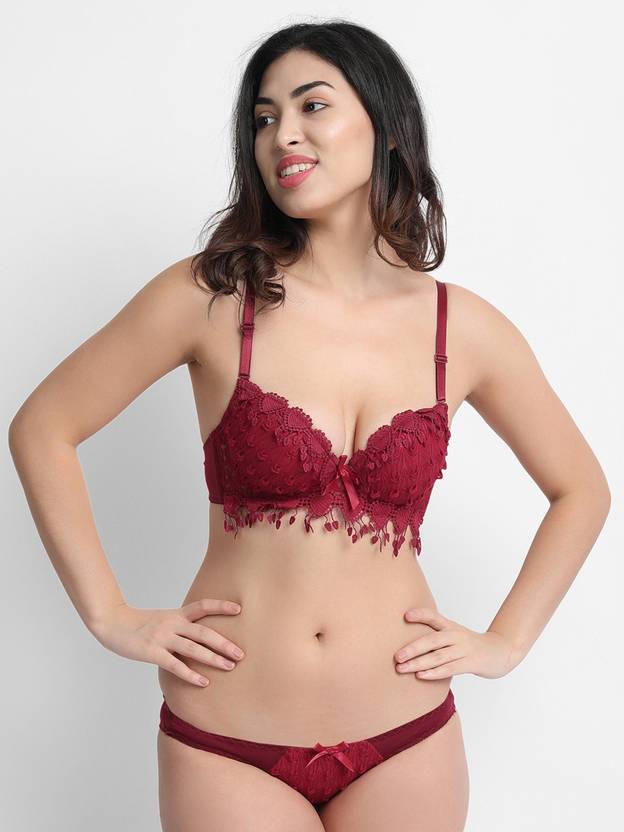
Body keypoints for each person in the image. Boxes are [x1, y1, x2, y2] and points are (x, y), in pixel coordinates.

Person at [9, 20, 611, 832]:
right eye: (263, 118)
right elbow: (43, 426)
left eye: (312, 105)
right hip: (227, 736)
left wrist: (506, 641)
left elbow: (581, 490)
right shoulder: (211, 298)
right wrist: (109, 614)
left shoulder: (461, 328)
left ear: (386, 126)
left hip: (407, 734)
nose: (282, 134)